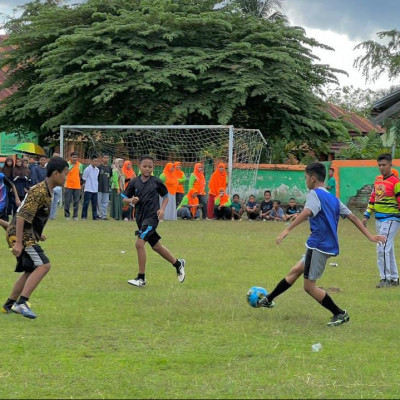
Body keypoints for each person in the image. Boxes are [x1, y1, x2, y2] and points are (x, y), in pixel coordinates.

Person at [258, 162, 386, 327]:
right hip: (327, 245)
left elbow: (307, 212)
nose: (305, 182)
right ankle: (268, 299)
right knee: (296, 270)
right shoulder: (333, 198)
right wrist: (370, 236)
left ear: (312, 178)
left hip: (317, 245)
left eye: (305, 178)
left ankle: (339, 313)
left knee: (309, 287)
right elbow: (353, 217)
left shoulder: (314, 194)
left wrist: (287, 230)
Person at [1, 156, 69, 319]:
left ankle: (8, 305)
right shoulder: (39, 191)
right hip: (20, 233)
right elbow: (22, 216)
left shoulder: (47, 190)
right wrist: (18, 242)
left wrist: (38, 233)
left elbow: (32, 215)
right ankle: (21, 303)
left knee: (30, 270)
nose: (66, 177)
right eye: (65, 174)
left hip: (25, 232)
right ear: (55, 173)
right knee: (44, 265)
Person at [122, 154, 186, 287]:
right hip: (140, 219)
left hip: (152, 219)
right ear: (139, 167)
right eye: (145, 166)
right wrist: (130, 200)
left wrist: (162, 209)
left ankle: (141, 278)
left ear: (153, 168)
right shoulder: (134, 182)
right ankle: (178, 263)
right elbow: (124, 198)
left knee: (139, 244)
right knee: (157, 246)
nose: (147, 169)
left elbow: (166, 196)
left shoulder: (156, 181)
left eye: (150, 167)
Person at [362, 153, 400, 288]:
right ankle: (394, 279)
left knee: (381, 246)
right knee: (387, 249)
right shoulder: (377, 180)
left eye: (384, 165)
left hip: (391, 219)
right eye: (379, 165)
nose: (381, 167)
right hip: (379, 218)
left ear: (391, 165)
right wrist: (367, 215)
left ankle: (385, 279)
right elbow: (373, 197)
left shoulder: (396, 182)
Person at [64, 152, 83, 221]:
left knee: (76, 201)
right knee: (67, 201)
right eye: (73, 157)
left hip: (77, 186)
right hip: (68, 185)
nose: (75, 159)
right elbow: (64, 173)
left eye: (76, 157)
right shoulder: (67, 164)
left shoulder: (80, 165)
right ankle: (67, 215)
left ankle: (75, 216)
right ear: (70, 157)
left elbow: (80, 175)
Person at [81, 155, 100, 220]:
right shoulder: (87, 169)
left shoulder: (97, 170)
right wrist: (84, 186)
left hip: (95, 189)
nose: (96, 162)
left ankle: (95, 216)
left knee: (94, 204)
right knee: (86, 203)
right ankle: (84, 216)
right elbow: (84, 178)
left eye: (97, 161)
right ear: (91, 161)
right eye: (94, 161)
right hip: (88, 189)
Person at [97, 154, 113, 220]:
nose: (106, 159)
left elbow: (110, 176)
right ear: (102, 158)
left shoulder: (109, 168)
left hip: (106, 188)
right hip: (99, 187)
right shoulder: (99, 167)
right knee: (98, 202)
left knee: (105, 202)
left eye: (107, 158)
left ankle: (104, 215)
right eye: (105, 157)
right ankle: (98, 215)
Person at [49, 152, 62, 220]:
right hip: (51, 187)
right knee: (50, 202)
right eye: (55, 156)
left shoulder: (61, 166)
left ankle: (52, 216)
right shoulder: (48, 165)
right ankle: (48, 215)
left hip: (58, 187)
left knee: (55, 203)